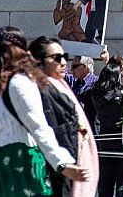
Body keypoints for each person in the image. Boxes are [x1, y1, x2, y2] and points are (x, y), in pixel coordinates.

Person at [0, 27, 88, 197]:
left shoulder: (19, 83)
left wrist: (62, 163)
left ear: (2, 52)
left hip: (21, 173)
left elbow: (39, 127)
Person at [31, 37, 99, 197]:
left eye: (64, 57)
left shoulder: (59, 86)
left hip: (68, 168)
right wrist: (64, 165)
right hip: (53, 172)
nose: (64, 63)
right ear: (40, 61)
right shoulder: (41, 91)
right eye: (56, 58)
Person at [83, 57, 123, 197]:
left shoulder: (95, 94)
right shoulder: (121, 95)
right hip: (122, 146)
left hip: (105, 145)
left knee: (106, 185)